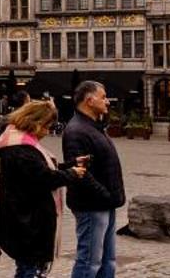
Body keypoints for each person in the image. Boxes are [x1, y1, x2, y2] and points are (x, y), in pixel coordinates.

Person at [0, 99, 89, 277]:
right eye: (47, 126)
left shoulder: (20, 143)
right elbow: (44, 177)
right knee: (28, 270)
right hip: (26, 221)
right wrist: (72, 174)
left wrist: (71, 164)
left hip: (26, 219)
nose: (47, 131)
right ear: (36, 123)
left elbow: (42, 168)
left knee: (29, 268)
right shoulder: (20, 148)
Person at [60, 80, 123, 278]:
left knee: (108, 261)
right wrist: (104, 195)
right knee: (89, 263)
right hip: (92, 206)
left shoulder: (94, 127)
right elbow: (79, 172)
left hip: (106, 203)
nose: (108, 102)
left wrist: (110, 198)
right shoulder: (76, 131)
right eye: (103, 97)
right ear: (89, 100)